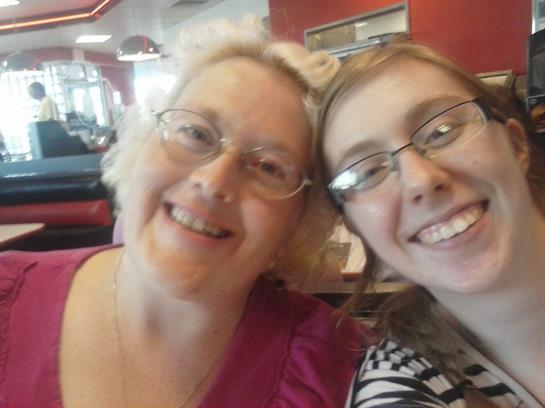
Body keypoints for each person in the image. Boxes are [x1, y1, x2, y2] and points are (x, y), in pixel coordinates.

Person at [0, 17, 374, 407]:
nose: (213, 182)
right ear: (143, 143)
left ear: (299, 218)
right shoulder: (8, 296)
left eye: (268, 167)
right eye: (196, 134)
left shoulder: (345, 373)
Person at [318, 40, 545, 407]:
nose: (420, 180)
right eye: (368, 173)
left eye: (442, 131)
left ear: (516, 143)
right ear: (355, 226)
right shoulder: (398, 384)